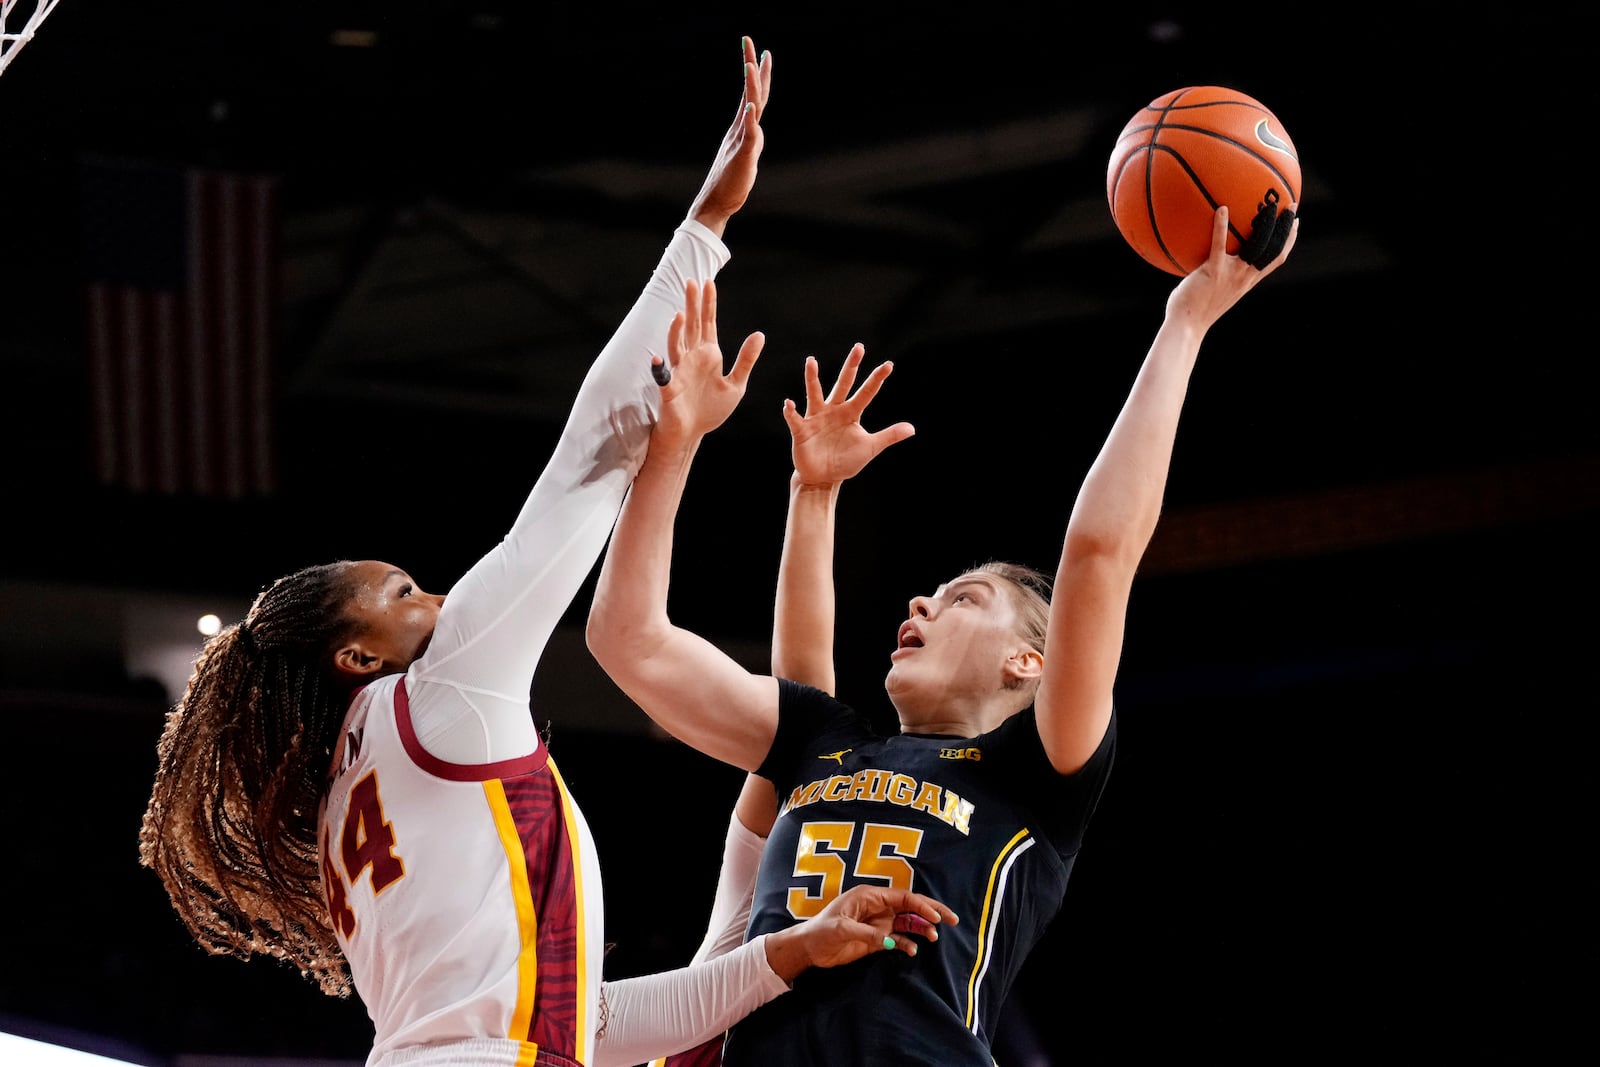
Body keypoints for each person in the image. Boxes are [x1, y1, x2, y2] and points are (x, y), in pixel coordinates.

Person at [137, 36, 955, 1067]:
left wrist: (786, 951)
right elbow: (582, 465)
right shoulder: (438, 693)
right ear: (356, 655)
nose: (431, 590)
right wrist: (703, 229)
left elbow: (584, 1024)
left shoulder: (362, 802)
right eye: (399, 590)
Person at [585, 200, 1299, 1065]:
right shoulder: (823, 746)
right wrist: (684, 448)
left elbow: (1099, 554)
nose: (918, 607)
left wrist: (1184, 321)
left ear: (1027, 660)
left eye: (961, 598)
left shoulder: (1036, 773)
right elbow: (629, 640)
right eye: (926, 595)